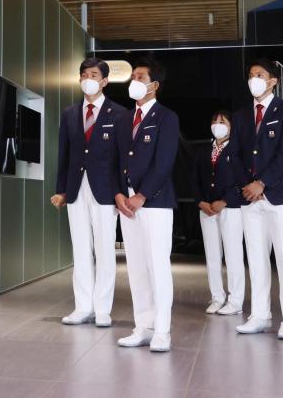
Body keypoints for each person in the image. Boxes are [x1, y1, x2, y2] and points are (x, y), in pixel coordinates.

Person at [51, 58, 128, 328]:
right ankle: (83, 307)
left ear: (105, 81)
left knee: (106, 250)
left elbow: (122, 159)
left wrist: (121, 193)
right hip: (75, 189)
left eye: (93, 74)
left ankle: (103, 309)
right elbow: (64, 155)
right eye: (84, 74)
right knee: (80, 249)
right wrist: (60, 190)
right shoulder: (70, 113)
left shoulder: (119, 114)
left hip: (106, 191)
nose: (88, 78)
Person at [231, 58, 283, 340]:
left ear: (273, 80)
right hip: (250, 198)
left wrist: (262, 183)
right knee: (257, 259)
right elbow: (234, 155)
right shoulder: (241, 116)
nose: (254, 80)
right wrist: (248, 185)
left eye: (259, 75)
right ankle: (260, 314)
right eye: (250, 75)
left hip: (279, 195)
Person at [115, 58, 179, 353]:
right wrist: (119, 195)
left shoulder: (167, 117)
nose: (134, 81)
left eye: (140, 76)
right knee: (137, 268)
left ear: (155, 84)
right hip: (126, 204)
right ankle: (143, 326)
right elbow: (117, 160)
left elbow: (164, 162)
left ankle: (162, 331)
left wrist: (142, 195)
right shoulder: (125, 118)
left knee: (157, 266)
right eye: (133, 76)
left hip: (153, 202)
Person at [191, 110, 245, 316]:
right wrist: (200, 201)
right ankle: (217, 297)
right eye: (215, 120)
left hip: (230, 208)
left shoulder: (237, 149)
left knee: (233, 254)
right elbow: (194, 179)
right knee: (213, 255)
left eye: (223, 121)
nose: (218, 124)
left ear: (231, 125)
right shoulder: (203, 150)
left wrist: (225, 200)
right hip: (206, 210)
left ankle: (235, 299)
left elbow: (242, 180)